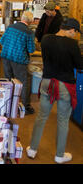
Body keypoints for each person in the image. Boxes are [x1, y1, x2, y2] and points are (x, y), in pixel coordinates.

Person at [27, 18, 83, 164]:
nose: (75, 35)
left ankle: (32, 149)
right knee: (63, 120)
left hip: (46, 83)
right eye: (76, 32)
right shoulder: (72, 44)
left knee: (41, 117)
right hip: (64, 85)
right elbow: (80, 65)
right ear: (71, 29)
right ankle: (59, 155)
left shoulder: (46, 39)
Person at [0, 11, 36, 115]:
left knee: (8, 80)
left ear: (21, 18)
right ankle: (26, 106)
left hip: (6, 57)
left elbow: (2, 41)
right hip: (19, 60)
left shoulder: (10, 27)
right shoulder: (29, 32)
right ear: (30, 21)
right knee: (24, 83)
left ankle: (7, 103)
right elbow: (31, 50)